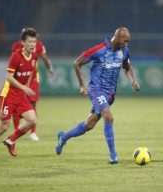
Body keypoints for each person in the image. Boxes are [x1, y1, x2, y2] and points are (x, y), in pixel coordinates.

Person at [55, 27, 140, 164]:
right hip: (96, 90)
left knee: (89, 124)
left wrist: (133, 81)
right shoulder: (99, 50)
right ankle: (113, 155)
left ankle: (63, 137)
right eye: (125, 41)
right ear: (117, 39)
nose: (127, 44)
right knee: (108, 115)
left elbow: (127, 67)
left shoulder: (124, 51)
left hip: (110, 94)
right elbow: (77, 63)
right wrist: (82, 85)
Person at [0, 29, 38, 160]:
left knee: (32, 120)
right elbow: (9, 78)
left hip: (20, 95)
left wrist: (26, 88)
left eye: (34, 42)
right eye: (30, 41)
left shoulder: (34, 57)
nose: (33, 44)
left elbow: (30, 73)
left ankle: (10, 140)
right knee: (5, 125)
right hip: (8, 94)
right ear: (23, 43)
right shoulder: (16, 56)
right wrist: (24, 88)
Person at [12, 27, 53, 141]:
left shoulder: (39, 46)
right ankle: (17, 130)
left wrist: (50, 68)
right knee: (16, 106)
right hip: (19, 79)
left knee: (32, 104)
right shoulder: (16, 47)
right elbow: (14, 63)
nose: (32, 42)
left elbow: (44, 58)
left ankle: (33, 132)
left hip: (33, 79)